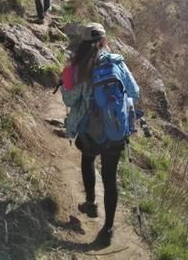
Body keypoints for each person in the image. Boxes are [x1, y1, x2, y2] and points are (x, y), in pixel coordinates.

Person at [60, 23, 140, 247]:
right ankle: (108, 229)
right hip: (115, 132)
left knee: (87, 157)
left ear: (83, 43)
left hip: (91, 132)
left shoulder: (80, 67)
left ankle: (91, 202)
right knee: (110, 178)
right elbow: (135, 92)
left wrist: (65, 84)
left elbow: (69, 100)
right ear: (104, 41)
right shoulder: (117, 62)